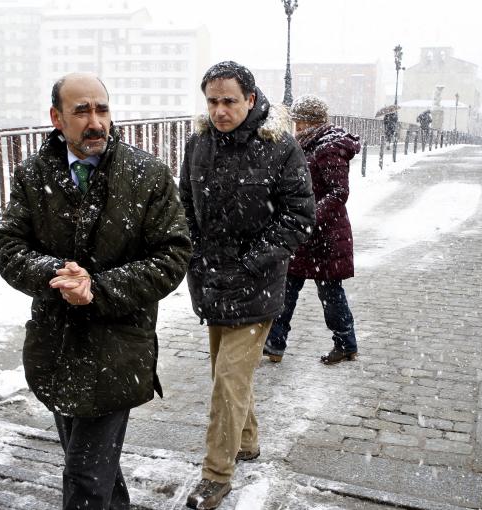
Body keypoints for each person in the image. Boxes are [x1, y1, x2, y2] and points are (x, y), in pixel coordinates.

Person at [0, 72, 192, 510]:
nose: (95, 121)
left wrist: (97, 288)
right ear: (56, 118)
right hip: (55, 343)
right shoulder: (33, 173)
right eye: (81, 111)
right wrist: (54, 274)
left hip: (118, 344)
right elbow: (9, 247)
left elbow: (174, 255)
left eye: (101, 109)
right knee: (90, 466)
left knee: (85, 475)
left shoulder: (146, 175)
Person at [179, 61, 315, 510]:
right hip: (211, 283)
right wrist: (195, 257)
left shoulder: (280, 148)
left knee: (228, 380)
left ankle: (216, 475)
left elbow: (299, 217)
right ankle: (248, 441)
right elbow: (185, 207)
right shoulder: (197, 144)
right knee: (226, 374)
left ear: (251, 100)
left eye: (229, 101)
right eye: (213, 101)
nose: (220, 110)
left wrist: (252, 260)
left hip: (256, 285)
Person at [263, 94, 360, 366]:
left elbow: (339, 191)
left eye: (297, 122)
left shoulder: (328, 147)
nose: (294, 127)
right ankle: (274, 344)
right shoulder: (308, 145)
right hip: (304, 234)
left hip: (325, 235)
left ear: (307, 122)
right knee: (285, 290)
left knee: (330, 295)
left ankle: (345, 343)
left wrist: (309, 215)